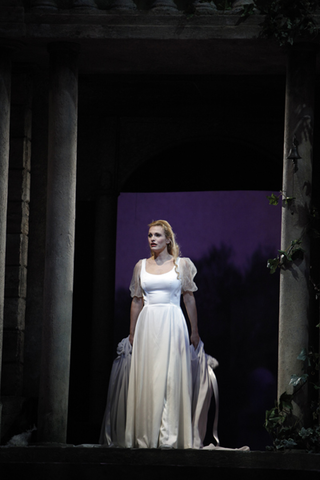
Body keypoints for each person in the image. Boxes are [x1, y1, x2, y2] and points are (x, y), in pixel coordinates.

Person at [125, 219, 200, 449]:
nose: (152, 239)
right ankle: (146, 435)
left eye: (157, 235)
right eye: (149, 235)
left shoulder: (182, 264)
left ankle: (169, 437)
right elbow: (137, 300)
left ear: (168, 239)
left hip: (172, 323)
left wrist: (194, 329)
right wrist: (132, 332)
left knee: (170, 377)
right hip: (148, 324)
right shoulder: (141, 266)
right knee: (149, 377)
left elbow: (188, 297)